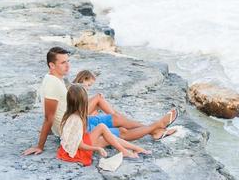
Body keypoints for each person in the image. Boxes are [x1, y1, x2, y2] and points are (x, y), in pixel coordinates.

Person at [23, 47, 178, 156]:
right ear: (52, 65)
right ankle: (156, 128)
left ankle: (156, 130)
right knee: (122, 132)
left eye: (68, 61)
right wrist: (40, 146)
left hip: (82, 119)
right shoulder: (52, 84)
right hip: (77, 129)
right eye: (63, 62)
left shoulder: (56, 79)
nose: (68, 65)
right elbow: (48, 117)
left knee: (117, 118)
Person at [57, 84, 151, 166]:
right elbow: (79, 145)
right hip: (77, 151)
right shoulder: (75, 120)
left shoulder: (74, 114)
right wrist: (96, 148)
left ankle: (136, 148)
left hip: (81, 142)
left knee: (109, 137)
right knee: (102, 127)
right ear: (83, 102)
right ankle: (124, 151)